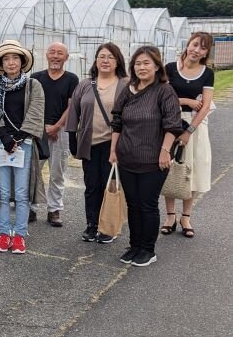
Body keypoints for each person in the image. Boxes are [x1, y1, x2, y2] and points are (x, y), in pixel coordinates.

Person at [110, 46, 182, 267]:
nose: (141, 67)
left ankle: (148, 250)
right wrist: (114, 150)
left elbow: (173, 124)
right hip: (127, 157)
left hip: (153, 159)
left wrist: (165, 151)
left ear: (157, 66)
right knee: (133, 204)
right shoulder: (128, 89)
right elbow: (117, 121)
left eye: (146, 63)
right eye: (137, 63)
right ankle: (135, 245)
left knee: (147, 204)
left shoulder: (164, 91)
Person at [0, 40, 44, 255]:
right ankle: (3, 233)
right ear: (1, 62)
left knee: (21, 191)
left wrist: (18, 138)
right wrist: (4, 136)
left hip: (24, 143)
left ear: (22, 61)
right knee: (2, 191)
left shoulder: (33, 85)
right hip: (1, 143)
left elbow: (36, 112)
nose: (11, 62)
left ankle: (19, 235)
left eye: (15, 58)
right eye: (6, 58)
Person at [66, 43, 128, 243]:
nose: (105, 60)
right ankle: (91, 224)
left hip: (115, 145)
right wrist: (72, 137)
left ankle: (107, 227)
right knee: (91, 186)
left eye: (110, 57)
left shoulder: (125, 84)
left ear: (117, 60)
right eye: (101, 56)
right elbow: (74, 110)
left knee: (108, 185)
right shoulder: (86, 84)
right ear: (95, 60)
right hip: (89, 143)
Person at [162, 32, 215, 238]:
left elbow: (206, 105)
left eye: (202, 48)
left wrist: (189, 131)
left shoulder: (207, 73)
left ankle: (186, 217)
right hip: (170, 123)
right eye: (194, 45)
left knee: (193, 169)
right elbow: (164, 99)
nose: (196, 50)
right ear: (188, 44)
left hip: (195, 126)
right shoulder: (170, 68)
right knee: (169, 168)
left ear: (206, 53)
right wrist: (186, 101)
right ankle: (169, 216)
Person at [30, 43, 79, 227]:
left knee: (57, 172)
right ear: (47, 55)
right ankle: (31, 207)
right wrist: (43, 127)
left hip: (61, 132)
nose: (56, 56)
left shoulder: (71, 79)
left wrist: (56, 126)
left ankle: (54, 209)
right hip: (37, 131)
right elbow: (31, 105)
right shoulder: (36, 78)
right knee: (33, 170)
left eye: (60, 53)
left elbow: (71, 106)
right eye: (52, 52)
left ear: (66, 57)